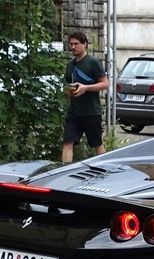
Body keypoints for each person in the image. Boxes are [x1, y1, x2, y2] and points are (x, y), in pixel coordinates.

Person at [62, 31, 109, 163]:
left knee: (97, 144)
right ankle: (64, 172)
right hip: (74, 112)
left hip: (91, 112)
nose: (73, 47)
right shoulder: (70, 65)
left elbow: (105, 84)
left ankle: (105, 170)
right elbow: (69, 86)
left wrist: (86, 88)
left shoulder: (93, 62)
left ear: (85, 44)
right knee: (67, 142)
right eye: (71, 44)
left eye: (76, 44)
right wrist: (70, 103)